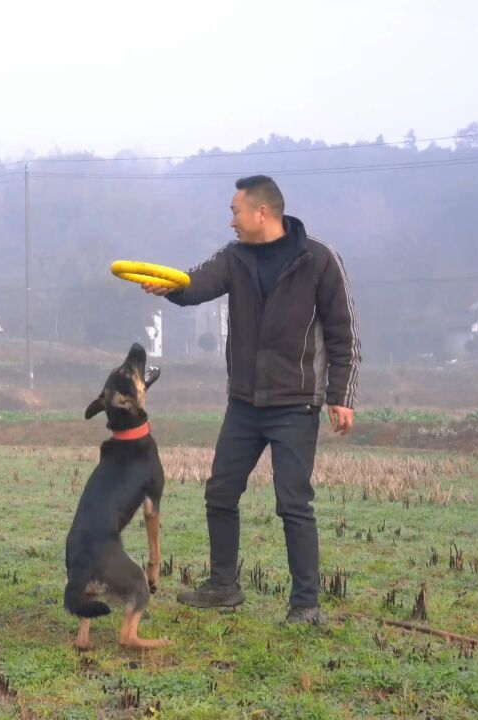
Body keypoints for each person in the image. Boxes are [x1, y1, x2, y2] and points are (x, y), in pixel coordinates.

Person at [143, 175, 360, 625]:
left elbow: (344, 335)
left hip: (296, 404)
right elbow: (196, 284)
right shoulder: (235, 258)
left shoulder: (319, 260)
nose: (231, 221)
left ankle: (306, 605)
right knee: (220, 491)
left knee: (293, 502)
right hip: (244, 403)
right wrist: (168, 286)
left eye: (235, 211)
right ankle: (224, 585)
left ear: (262, 212)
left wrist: (341, 397)